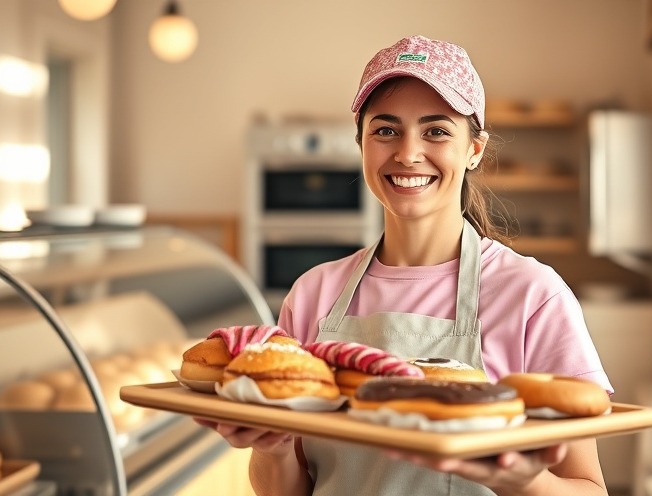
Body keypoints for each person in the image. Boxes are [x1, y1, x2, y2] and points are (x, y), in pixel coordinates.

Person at [200, 34, 613, 496]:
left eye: (436, 130)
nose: (408, 153)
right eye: (386, 130)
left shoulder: (533, 295)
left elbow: (589, 490)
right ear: (361, 144)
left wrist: (525, 481)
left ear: (474, 149)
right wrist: (272, 449)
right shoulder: (314, 292)